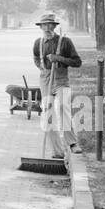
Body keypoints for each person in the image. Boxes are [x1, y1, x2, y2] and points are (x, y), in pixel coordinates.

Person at [33, 12, 82, 156]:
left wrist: (59, 58)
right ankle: (57, 151)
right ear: (41, 27)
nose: (47, 28)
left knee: (63, 107)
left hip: (61, 78)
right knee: (48, 114)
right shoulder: (38, 43)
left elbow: (77, 62)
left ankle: (72, 143)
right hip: (46, 79)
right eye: (44, 25)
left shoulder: (65, 42)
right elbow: (36, 57)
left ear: (54, 26)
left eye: (50, 25)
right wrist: (42, 67)